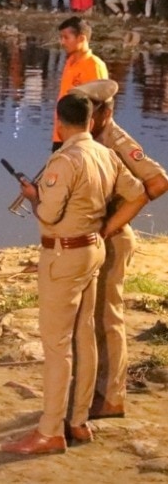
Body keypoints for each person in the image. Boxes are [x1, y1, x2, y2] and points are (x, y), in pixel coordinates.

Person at [1, 93, 146, 455]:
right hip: (93, 249)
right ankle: (78, 421)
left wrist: (34, 196)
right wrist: (108, 227)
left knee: (57, 345)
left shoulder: (64, 161)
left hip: (64, 256)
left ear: (59, 121)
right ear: (91, 120)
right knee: (84, 336)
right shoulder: (105, 153)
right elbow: (138, 193)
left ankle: (50, 430)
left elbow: (48, 215)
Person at [69, 79, 166, 420]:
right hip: (96, 239)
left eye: (92, 112)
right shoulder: (93, 140)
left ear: (105, 112)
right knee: (92, 318)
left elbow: (157, 182)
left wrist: (114, 222)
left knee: (109, 318)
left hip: (113, 238)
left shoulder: (117, 141)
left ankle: (112, 397)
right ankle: (94, 388)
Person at [53, 16, 107, 151]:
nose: (62, 42)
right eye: (61, 37)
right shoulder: (70, 62)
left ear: (81, 38)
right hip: (61, 135)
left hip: (79, 142)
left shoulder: (94, 65)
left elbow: (101, 109)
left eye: (66, 37)